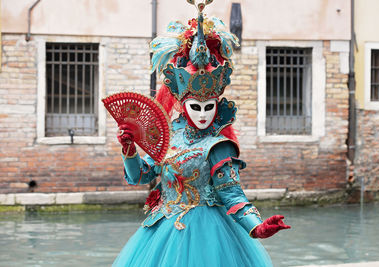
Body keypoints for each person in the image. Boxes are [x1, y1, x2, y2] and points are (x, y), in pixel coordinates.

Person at [112, 3, 290, 266]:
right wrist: (129, 149)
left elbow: (232, 194)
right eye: (196, 107)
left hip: (211, 234)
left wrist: (257, 227)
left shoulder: (219, 145)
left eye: (209, 107)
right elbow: (141, 175)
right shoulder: (168, 135)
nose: (203, 114)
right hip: (163, 231)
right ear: (183, 105)